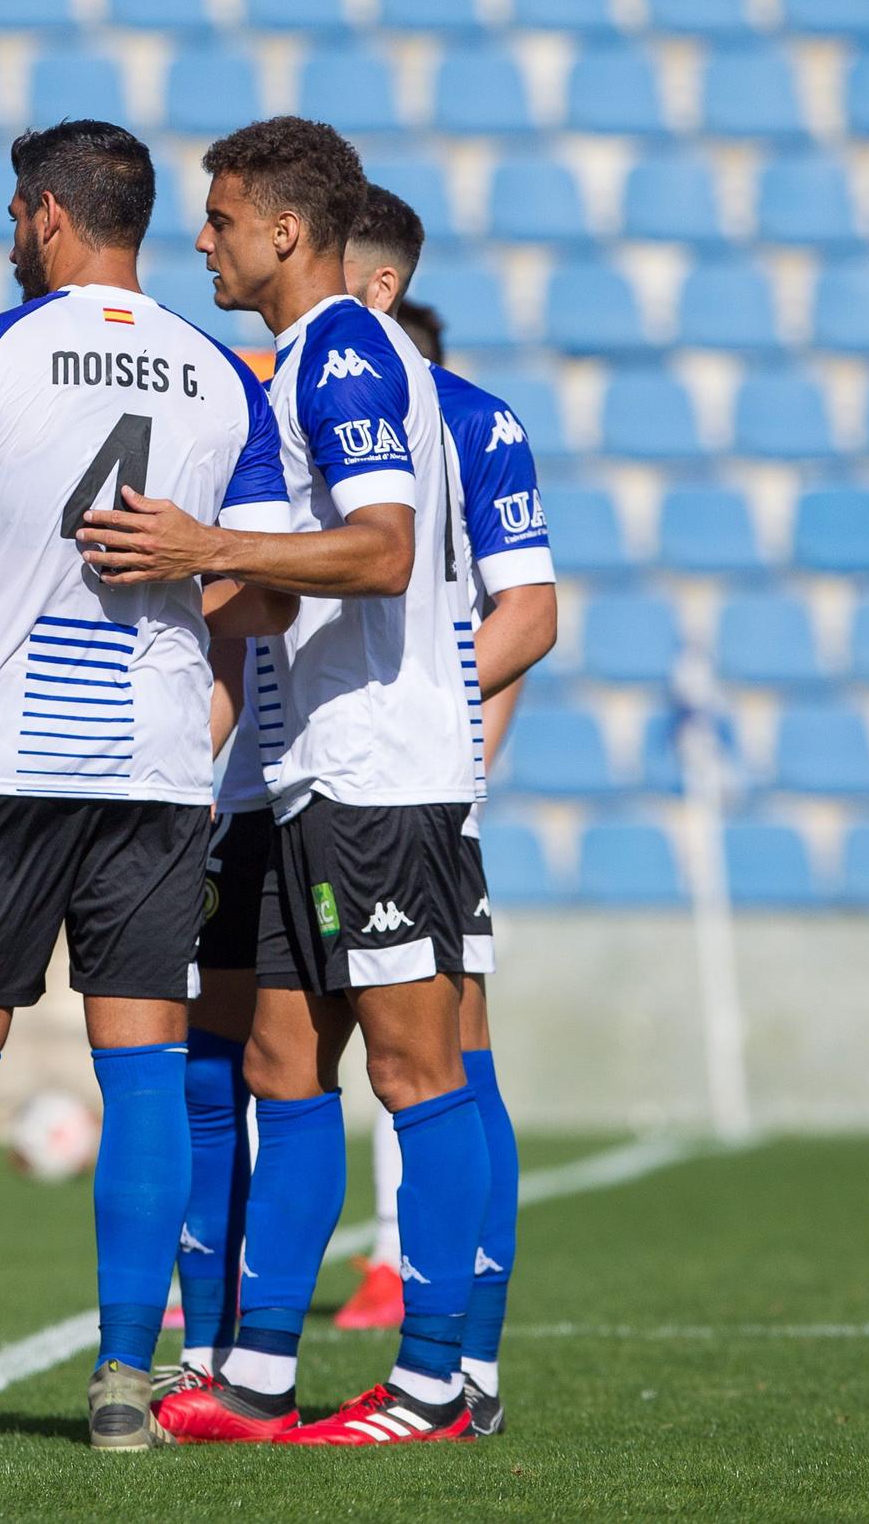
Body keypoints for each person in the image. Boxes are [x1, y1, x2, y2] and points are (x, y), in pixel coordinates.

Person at [0, 119, 293, 1455]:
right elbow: (266, 585)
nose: (7, 235)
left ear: (48, 216)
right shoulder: (226, 377)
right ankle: (121, 1382)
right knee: (146, 1076)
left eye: (13, 213)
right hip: (150, 766)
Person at [79, 117, 488, 1446]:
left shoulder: (353, 350)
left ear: (286, 231)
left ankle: (435, 1381)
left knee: (420, 1074)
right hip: (312, 768)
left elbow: (379, 551)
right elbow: (277, 594)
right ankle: (258, 1373)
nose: (202, 237)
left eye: (219, 216)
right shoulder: (303, 361)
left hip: (381, 768)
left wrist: (201, 541)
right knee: (277, 1053)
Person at [332, 197, 559, 1439]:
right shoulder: (302, 401)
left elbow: (524, 613)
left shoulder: (462, 423)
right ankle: (242, 1339)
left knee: (442, 1054)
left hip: (407, 789)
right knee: (322, 1055)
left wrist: (440, 726)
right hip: (323, 777)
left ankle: (457, 1359)